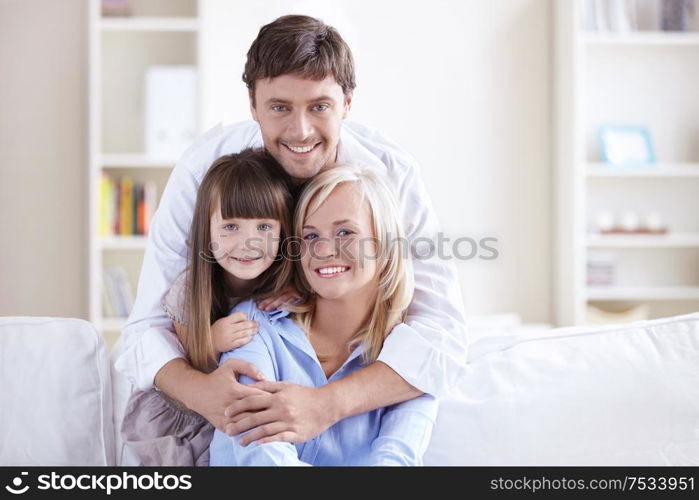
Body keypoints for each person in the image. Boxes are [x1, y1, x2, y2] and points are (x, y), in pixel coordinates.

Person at [116, 14, 467, 448]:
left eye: (319, 106)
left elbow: (444, 336)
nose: (300, 132)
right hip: (235, 369)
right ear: (252, 104)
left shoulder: (391, 174)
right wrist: (202, 392)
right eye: (279, 107)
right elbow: (144, 328)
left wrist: (327, 403)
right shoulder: (207, 168)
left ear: (348, 104)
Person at [210, 164, 437, 466]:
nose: (325, 250)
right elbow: (262, 454)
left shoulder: (412, 358)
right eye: (311, 236)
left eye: (345, 232)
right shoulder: (254, 324)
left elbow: (396, 460)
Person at [121, 149, 297, 465]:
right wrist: (212, 341)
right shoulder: (190, 289)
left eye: (264, 228)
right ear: (208, 230)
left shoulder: (284, 283)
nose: (248, 243)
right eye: (230, 227)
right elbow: (188, 364)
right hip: (185, 417)